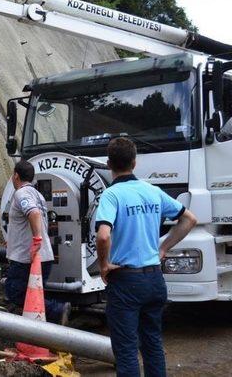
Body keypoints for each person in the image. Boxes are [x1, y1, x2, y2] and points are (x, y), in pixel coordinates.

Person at [96, 138, 196, 377]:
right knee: (152, 345)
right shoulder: (153, 191)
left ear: (109, 164)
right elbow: (189, 219)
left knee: (127, 350)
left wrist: (103, 266)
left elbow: (103, 236)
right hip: (154, 281)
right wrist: (162, 249)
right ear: (135, 162)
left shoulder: (111, 195)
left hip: (125, 282)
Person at [4, 160, 71, 324]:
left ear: (16, 176)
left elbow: (33, 214)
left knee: (15, 292)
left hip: (27, 258)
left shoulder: (22, 193)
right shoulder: (38, 195)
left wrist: (36, 240)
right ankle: (45, 328)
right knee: (32, 293)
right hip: (43, 257)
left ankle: (58, 310)